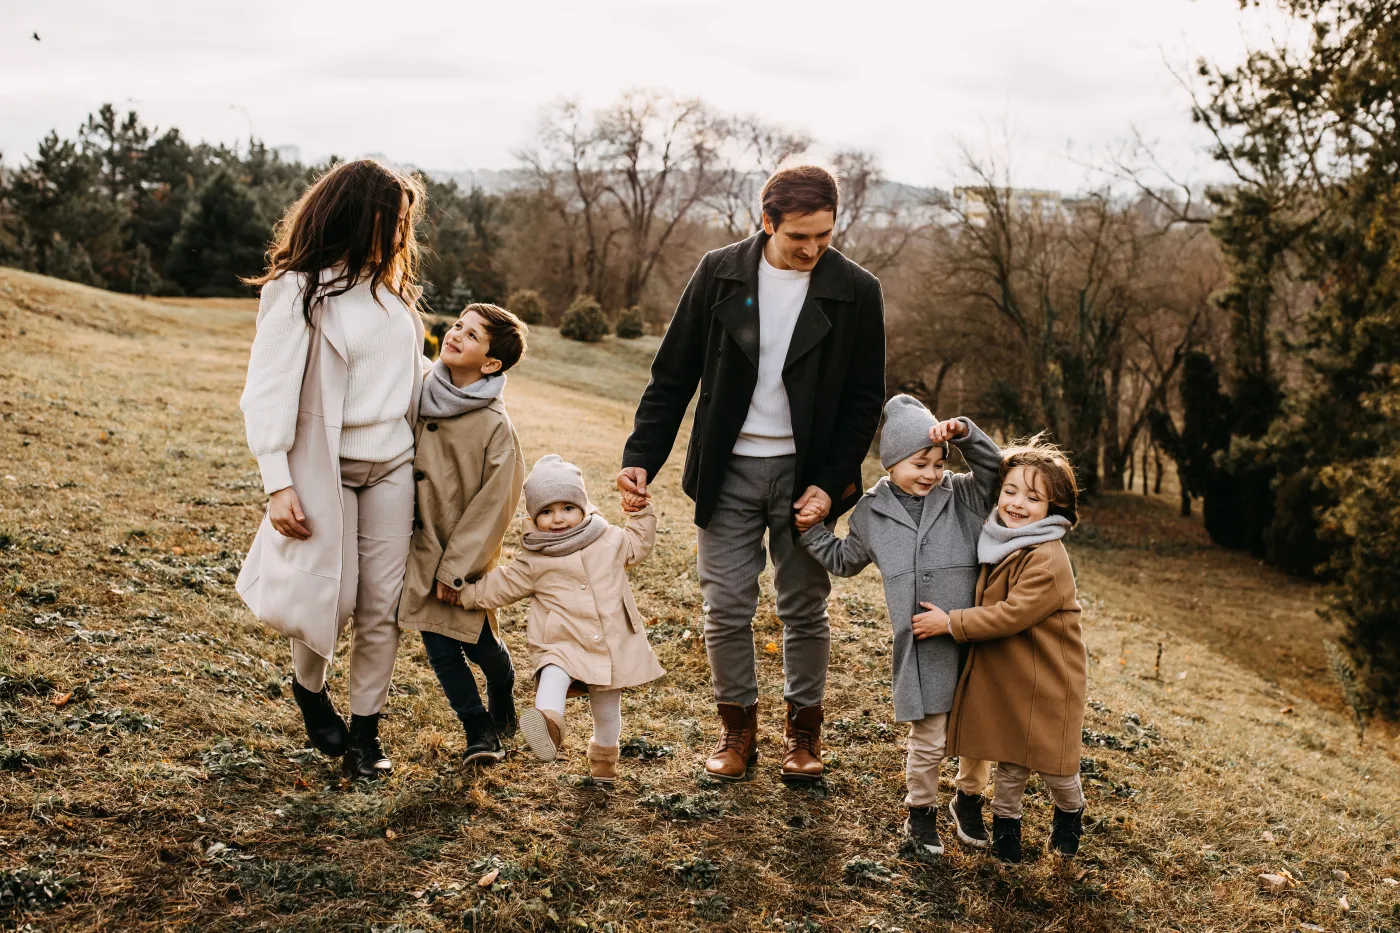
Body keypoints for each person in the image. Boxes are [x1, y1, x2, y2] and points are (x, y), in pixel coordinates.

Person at [618, 159, 885, 784]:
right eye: (799, 237)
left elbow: (863, 400)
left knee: (803, 607)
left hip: (808, 478)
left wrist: (830, 481)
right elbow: (673, 375)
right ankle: (737, 731)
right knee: (726, 607)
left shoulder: (856, 290)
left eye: (825, 234)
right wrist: (641, 457)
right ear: (766, 222)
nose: (814, 249)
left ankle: (802, 736)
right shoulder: (719, 274)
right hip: (727, 472)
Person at [236, 158, 428, 780]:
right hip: (328, 466)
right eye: (390, 219)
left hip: (393, 463)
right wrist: (277, 481)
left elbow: (404, 378)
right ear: (354, 214)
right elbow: (266, 390)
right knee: (335, 596)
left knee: (383, 604)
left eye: (404, 222)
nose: (400, 233)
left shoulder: (393, 290)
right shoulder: (298, 291)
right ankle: (308, 688)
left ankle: (366, 732)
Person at [801, 395, 1002, 854]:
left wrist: (965, 433)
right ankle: (921, 812)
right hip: (924, 646)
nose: (931, 473)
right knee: (929, 737)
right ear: (891, 462)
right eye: (919, 463)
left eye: (937, 462)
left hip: (973, 637)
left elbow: (994, 471)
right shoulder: (871, 513)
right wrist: (809, 531)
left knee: (977, 734)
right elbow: (844, 560)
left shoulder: (962, 493)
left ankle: (968, 800)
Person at [918, 439, 1087, 863]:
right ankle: (1006, 830)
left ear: (1054, 507)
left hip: (1048, 678)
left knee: (1055, 766)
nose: (1016, 503)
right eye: (1010, 490)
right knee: (1011, 759)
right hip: (1009, 673)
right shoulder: (998, 538)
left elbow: (1010, 615)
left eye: (1033, 498)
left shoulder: (1047, 557)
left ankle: (1070, 811)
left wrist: (951, 622)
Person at [459, 456, 664, 786]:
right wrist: (465, 594)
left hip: (608, 642)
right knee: (552, 673)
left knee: (607, 709)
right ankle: (549, 726)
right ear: (533, 516)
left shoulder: (608, 539)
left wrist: (639, 512)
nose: (558, 519)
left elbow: (638, 543)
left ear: (582, 506)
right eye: (546, 512)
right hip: (561, 640)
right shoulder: (535, 558)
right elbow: (502, 584)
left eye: (567, 508)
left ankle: (604, 760)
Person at [397, 303, 528, 765]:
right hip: (417, 546)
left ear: (490, 363)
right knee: (436, 642)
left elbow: (494, 509)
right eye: (457, 325)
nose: (455, 335)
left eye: (472, 336)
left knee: (478, 646)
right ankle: (479, 731)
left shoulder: (495, 427)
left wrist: (456, 571)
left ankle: (504, 679)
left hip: (460, 560)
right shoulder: (417, 390)